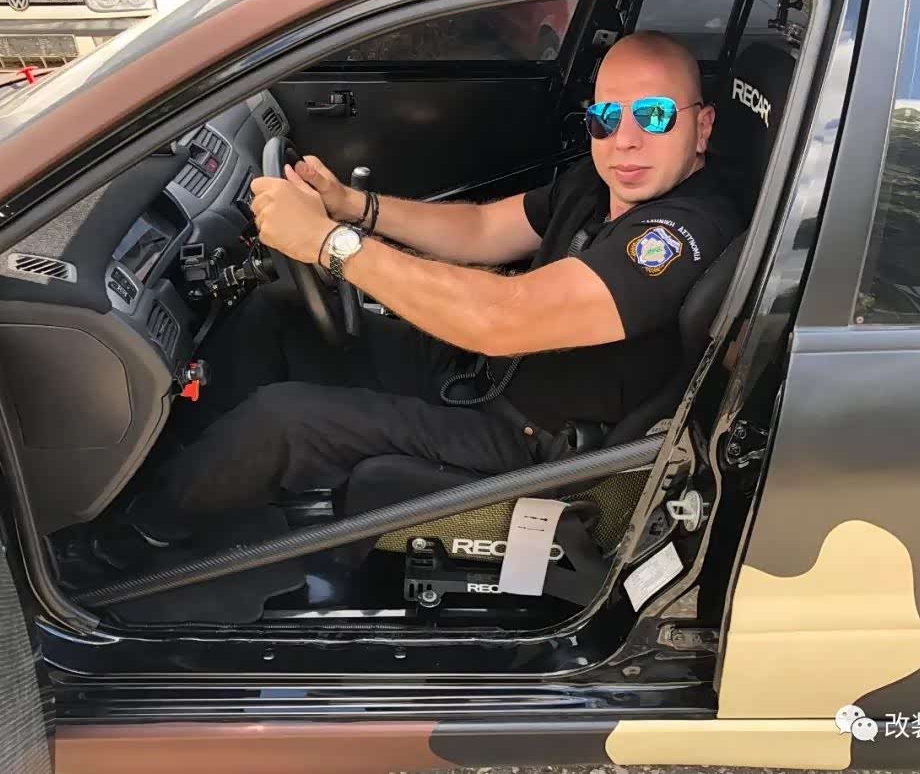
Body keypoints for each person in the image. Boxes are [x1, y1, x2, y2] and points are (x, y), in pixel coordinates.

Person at [121, 31, 742, 550]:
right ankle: (200, 468)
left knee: (283, 421)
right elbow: (481, 229)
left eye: (655, 115)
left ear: (703, 126)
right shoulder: (599, 181)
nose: (625, 138)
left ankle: (139, 538)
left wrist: (330, 243)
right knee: (276, 314)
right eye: (607, 118)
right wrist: (353, 207)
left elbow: (504, 318)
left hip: (531, 441)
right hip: (484, 372)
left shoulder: (680, 233)